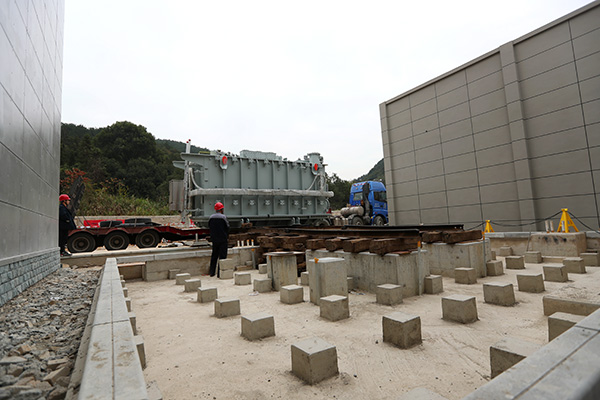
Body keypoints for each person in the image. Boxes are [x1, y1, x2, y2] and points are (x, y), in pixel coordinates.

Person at [208, 202, 230, 277]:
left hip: (214, 240)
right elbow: (227, 227)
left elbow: (209, 227)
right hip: (223, 239)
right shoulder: (223, 217)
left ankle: (212, 272)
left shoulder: (211, 217)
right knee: (222, 257)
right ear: (221, 209)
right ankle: (220, 273)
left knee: (214, 255)